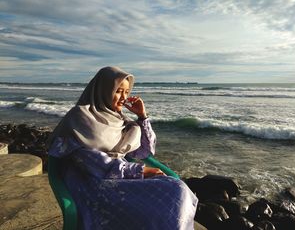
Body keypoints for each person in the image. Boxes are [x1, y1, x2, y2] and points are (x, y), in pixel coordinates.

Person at [48, 66, 198, 230]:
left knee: (176, 190)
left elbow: (144, 151)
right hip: (92, 182)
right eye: (118, 91)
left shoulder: (119, 120)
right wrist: (142, 171)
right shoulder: (81, 117)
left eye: (126, 92)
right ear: (103, 90)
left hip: (120, 174)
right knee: (175, 191)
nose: (123, 97)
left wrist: (142, 116)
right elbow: (93, 163)